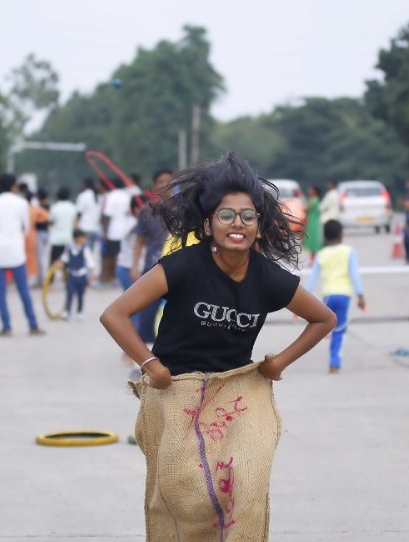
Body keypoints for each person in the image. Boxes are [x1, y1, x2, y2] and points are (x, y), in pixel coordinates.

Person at [100, 151, 334, 389]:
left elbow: (324, 319)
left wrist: (279, 363)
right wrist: (151, 365)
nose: (238, 222)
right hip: (175, 390)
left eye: (248, 216)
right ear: (208, 226)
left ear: (259, 229)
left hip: (233, 394)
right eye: (226, 215)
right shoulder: (184, 265)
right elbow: (114, 315)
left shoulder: (267, 277)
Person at [0, 173, 43, 337]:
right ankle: (33, 324)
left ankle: (6, 326)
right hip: (16, 250)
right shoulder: (22, 203)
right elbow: (26, 228)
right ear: (13, 186)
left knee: (1, 292)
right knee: (23, 290)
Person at [304, 219, 365, 373]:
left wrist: (302, 300)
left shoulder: (321, 254)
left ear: (325, 236)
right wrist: (360, 295)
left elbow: (312, 279)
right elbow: (354, 275)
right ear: (341, 235)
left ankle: (324, 339)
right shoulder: (349, 251)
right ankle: (335, 362)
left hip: (328, 297)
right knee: (340, 330)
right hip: (344, 296)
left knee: (323, 325)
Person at [132, 170, 174, 344]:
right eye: (160, 181)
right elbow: (139, 241)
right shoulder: (147, 212)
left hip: (177, 270)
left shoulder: (186, 209)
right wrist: (135, 266)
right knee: (147, 316)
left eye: (168, 180)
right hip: (152, 268)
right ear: (154, 186)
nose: (164, 184)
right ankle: (144, 362)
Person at [58, 229, 96, 320]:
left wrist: (92, 273)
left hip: (81, 275)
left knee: (80, 295)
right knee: (70, 293)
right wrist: (59, 263)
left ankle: (80, 311)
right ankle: (67, 311)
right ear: (77, 238)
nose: (84, 240)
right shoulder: (69, 249)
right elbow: (64, 259)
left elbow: (91, 262)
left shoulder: (85, 249)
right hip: (71, 275)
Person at [47, 186, 78, 268]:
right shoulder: (73, 207)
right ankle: (68, 279)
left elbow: (51, 222)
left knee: (53, 262)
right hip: (69, 238)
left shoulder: (54, 207)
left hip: (56, 238)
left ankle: (51, 279)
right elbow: (75, 223)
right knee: (67, 262)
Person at [302, 184, 323, 260]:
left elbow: (307, 209)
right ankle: (313, 258)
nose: (309, 191)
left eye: (311, 190)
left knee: (312, 239)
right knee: (312, 239)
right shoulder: (314, 199)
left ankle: (313, 259)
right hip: (312, 221)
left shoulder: (313, 200)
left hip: (312, 222)